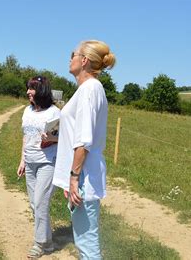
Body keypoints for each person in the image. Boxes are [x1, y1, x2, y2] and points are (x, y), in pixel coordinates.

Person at [52, 40, 116, 259]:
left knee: (88, 246)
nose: (69, 58)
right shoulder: (87, 89)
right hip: (82, 178)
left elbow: (84, 140)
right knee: (84, 242)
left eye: (73, 54)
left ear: (84, 60)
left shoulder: (89, 89)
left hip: (84, 179)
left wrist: (73, 177)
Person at [17, 76, 61, 258]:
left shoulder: (55, 113)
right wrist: (22, 160)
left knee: (41, 201)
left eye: (32, 88)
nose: (28, 92)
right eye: (28, 88)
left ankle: (39, 243)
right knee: (35, 204)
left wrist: (51, 139)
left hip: (48, 162)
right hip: (31, 161)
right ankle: (49, 242)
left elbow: (66, 138)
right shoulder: (27, 111)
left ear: (41, 90)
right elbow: (26, 137)